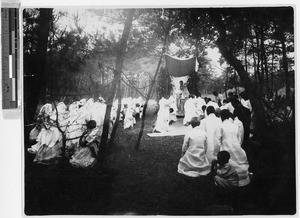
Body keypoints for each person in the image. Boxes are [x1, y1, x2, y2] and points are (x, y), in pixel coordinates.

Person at [213, 109, 250, 187]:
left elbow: (216, 142)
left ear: (221, 117)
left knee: (226, 163)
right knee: (238, 160)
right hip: (236, 147)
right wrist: (237, 146)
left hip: (225, 147)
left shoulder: (220, 126)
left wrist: (216, 154)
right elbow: (239, 138)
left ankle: (228, 181)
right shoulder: (235, 126)